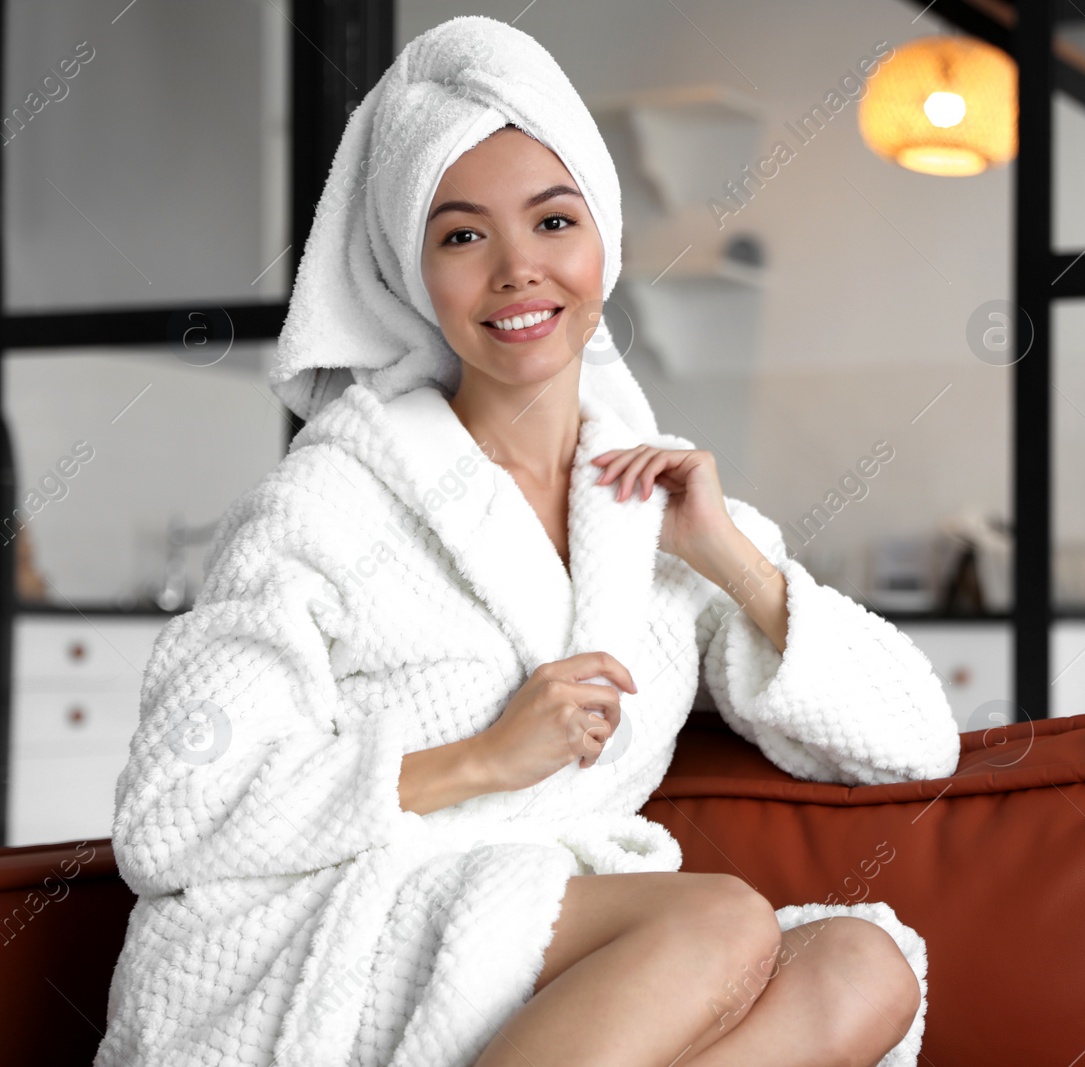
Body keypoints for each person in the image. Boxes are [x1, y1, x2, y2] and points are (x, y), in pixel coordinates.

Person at [95, 15, 960, 1067]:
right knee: (720, 917)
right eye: (463, 236)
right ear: (415, 277)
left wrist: (726, 552)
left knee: (866, 964)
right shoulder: (328, 503)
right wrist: (480, 759)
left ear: (603, 240)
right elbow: (176, 812)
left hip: (544, 967)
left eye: (554, 222)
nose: (518, 270)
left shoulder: (654, 508)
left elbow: (915, 737)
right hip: (336, 938)